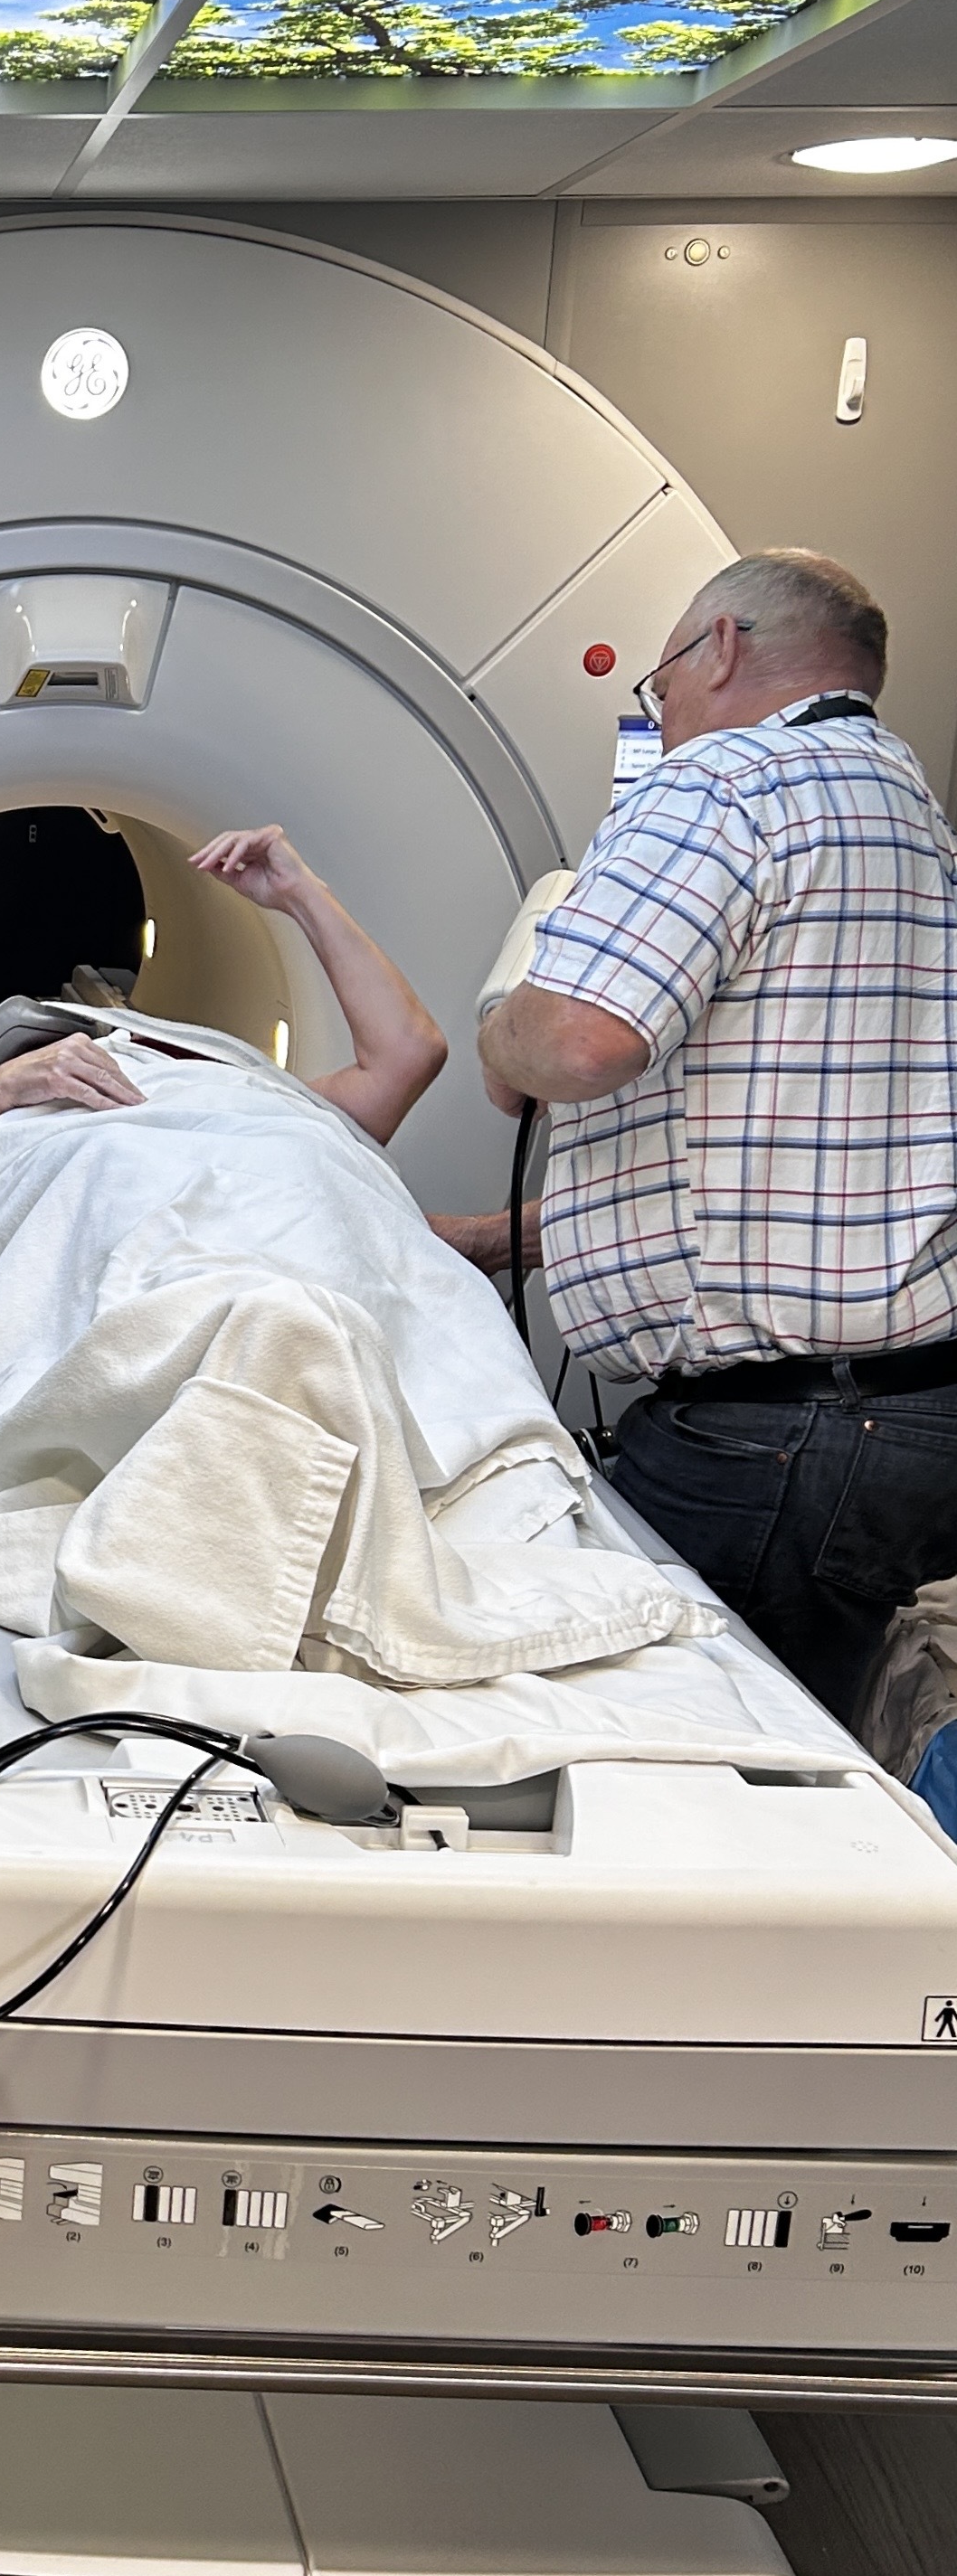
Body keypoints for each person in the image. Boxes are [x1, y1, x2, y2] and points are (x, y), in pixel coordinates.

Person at [474, 547, 957, 1726]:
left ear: (721, 650)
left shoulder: (718, 787)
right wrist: (511, 1236)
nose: (665, 719)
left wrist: (499, 1030)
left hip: (774, 1442)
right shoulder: (909, 814)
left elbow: (577, 1045)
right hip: (899, 1416)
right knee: (801, 1759)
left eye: (657, 688)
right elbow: (795, 1153)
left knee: (696, 1769)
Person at [0, 823, 447, 1265]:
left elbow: (411, 1053)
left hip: (274, 1253)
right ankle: (454, 1241)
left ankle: (441, 1241)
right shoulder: (18, 1112)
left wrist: (302, 892)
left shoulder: (258, 1097)